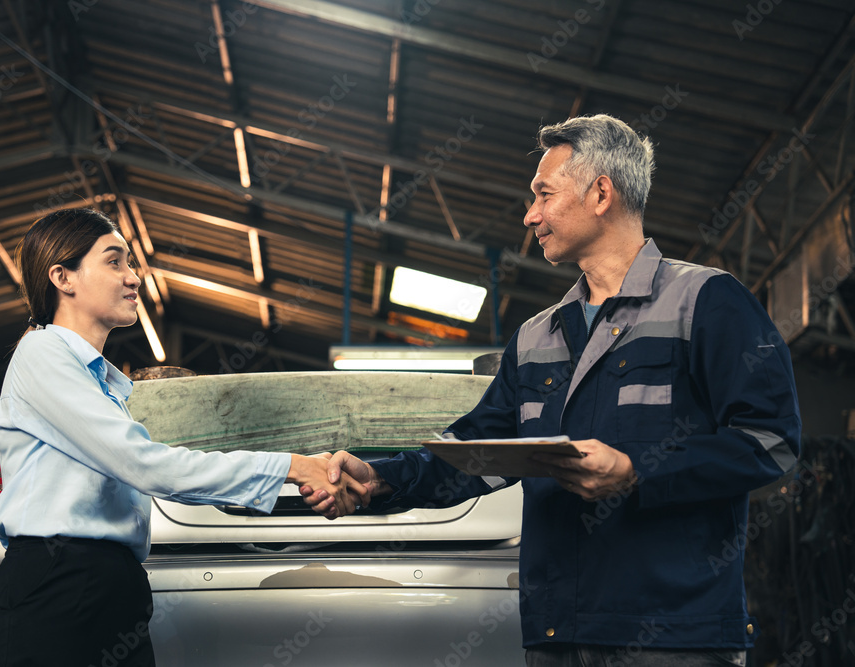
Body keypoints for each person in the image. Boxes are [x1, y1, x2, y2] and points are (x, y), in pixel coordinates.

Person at [304, 115, 802, 666]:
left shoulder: (707, 302)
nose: (530, 215)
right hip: (557, 636)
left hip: (675, 637)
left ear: (601, 194)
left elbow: (771, 440)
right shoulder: (536, 336)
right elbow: (476, 455)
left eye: (544, 194)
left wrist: (637, 472)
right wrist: (379, 478)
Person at [0, 208, 367, 667]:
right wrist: (294, 466)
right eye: (114, 262)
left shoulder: (104, 387)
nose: (133, 277)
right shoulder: (42, 351)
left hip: (112, 588)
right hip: (54, 588)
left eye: (130, 263)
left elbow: (165, 472)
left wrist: (296, 472)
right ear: (63, 277)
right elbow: (148, 465)